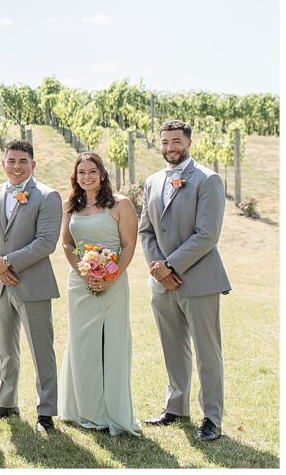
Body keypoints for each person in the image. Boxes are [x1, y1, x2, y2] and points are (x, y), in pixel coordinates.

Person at [138, 119, 231, 442]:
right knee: (172, 347)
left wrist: (171, 265)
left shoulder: (208, 180)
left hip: (199, 280)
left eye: (176, 141)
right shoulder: (151, 181)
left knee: (208, 352)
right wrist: (156, 267)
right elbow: (145, 230)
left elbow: (207, 235)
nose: (170, 148)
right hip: (160, 282)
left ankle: (212, 417)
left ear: (188, 142)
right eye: (164, 142)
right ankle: (176, 407)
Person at [57, 153, 141, 436]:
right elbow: (67, 245)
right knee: (83, 346)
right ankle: (85, 410)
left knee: (113, 345)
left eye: (92, 171)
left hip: (113, 283)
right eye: (81, 172)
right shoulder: (70, 205)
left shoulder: (121, 204)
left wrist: (110, 276)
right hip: (79, 283)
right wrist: (84, 273)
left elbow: (129, 245)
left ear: (102, 174)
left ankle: (113, 412)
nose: (86, 177)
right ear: (75, 176)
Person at [0, 139, 61, 433]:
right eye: (11, 161)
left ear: (33, 165)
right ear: (3, 163)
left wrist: (8, 263)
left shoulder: (48, 196)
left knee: (42, 349)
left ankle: (47, 411)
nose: (16, 167)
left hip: (34, 284)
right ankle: (6, 402)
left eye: (22, 162)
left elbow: (46, 242)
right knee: (5, 349)